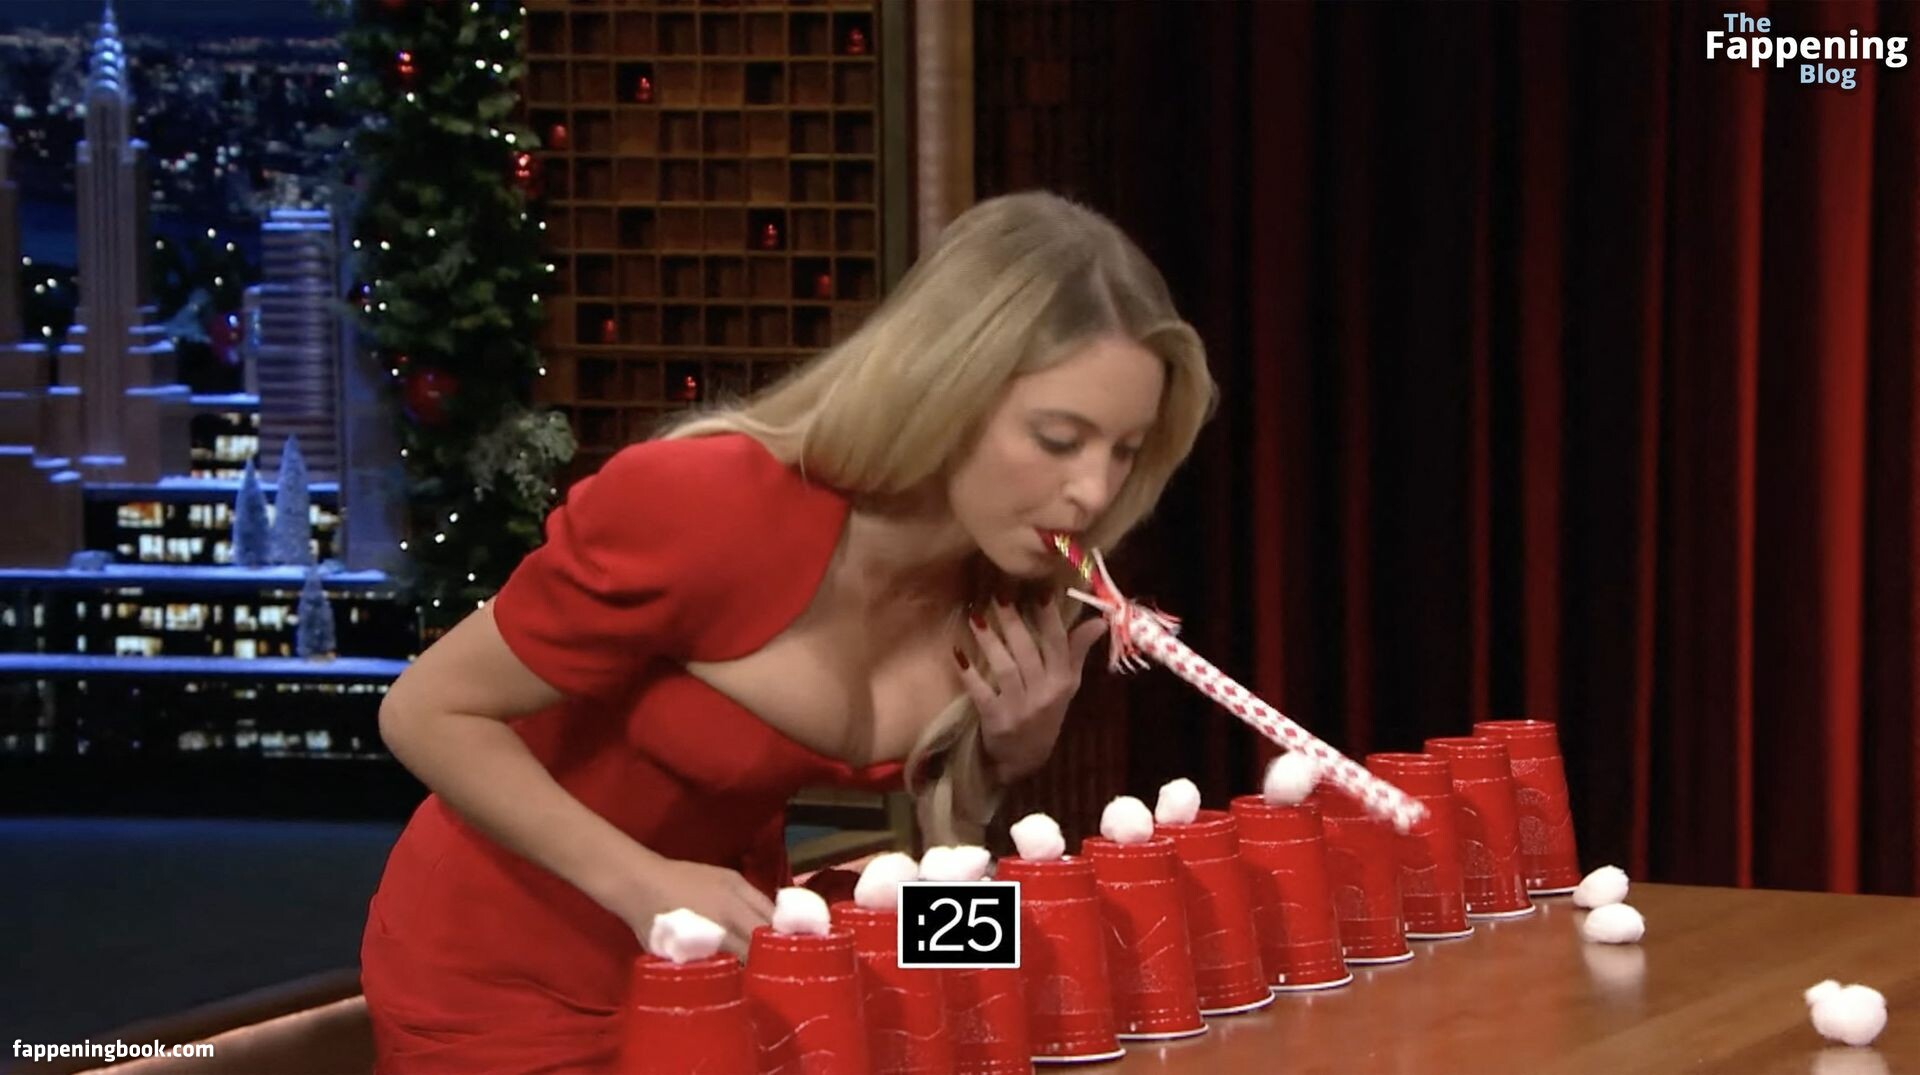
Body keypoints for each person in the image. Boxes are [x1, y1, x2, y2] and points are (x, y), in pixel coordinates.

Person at [358, 190, 1218, 1071]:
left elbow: (939, 878)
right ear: (947, 388)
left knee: (1048, 972)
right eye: (1059, 438)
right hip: (504, 972)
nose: (1094, 492)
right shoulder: (706, 501)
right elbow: (420, 710)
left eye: (1125, 450)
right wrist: (643, 882)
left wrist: (1004, 768)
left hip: (736, 950)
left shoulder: (1016, 578)